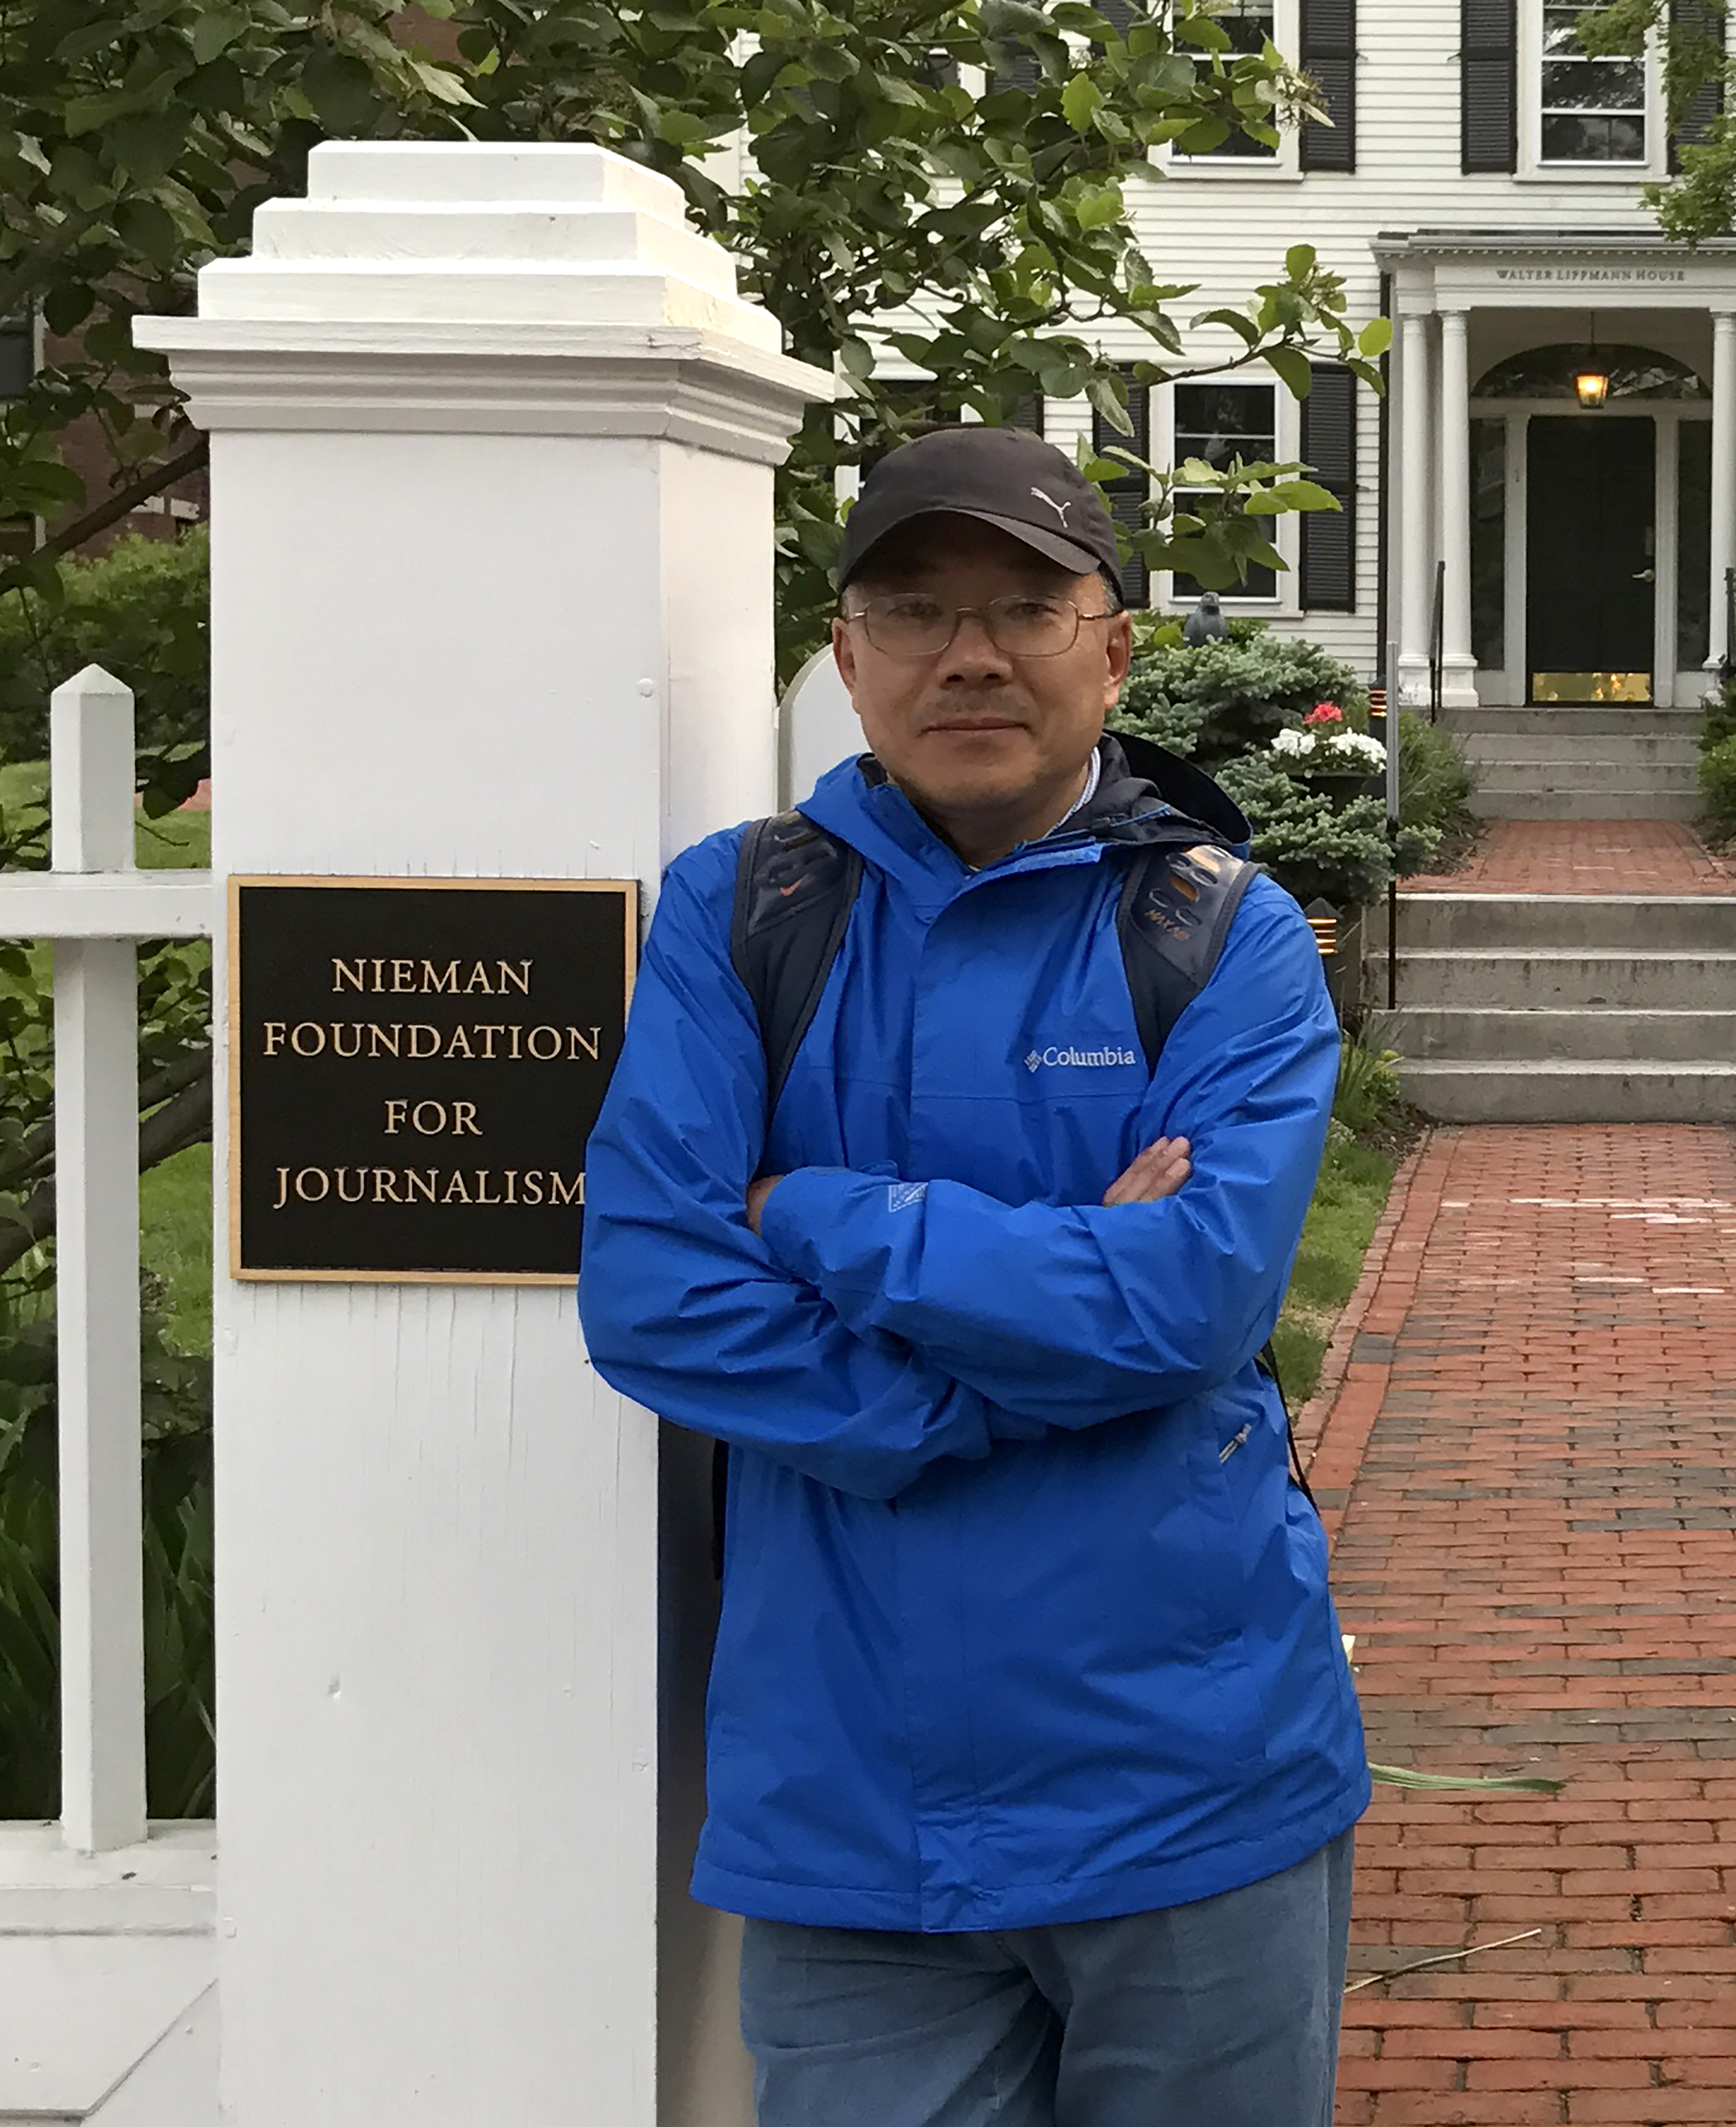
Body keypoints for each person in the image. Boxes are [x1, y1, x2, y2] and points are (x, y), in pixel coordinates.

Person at [577, 424, 1366, 2127]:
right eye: (918, 610)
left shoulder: (1223, 936)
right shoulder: (738, 916)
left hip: (1193, 1777)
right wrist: (985, 1379)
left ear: (1116, 647)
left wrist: (818, 1213)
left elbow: (1189, 1303)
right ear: (847, 658)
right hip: (857, 1805)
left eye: (1026, 603)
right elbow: (652, 1286)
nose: (974, 653)